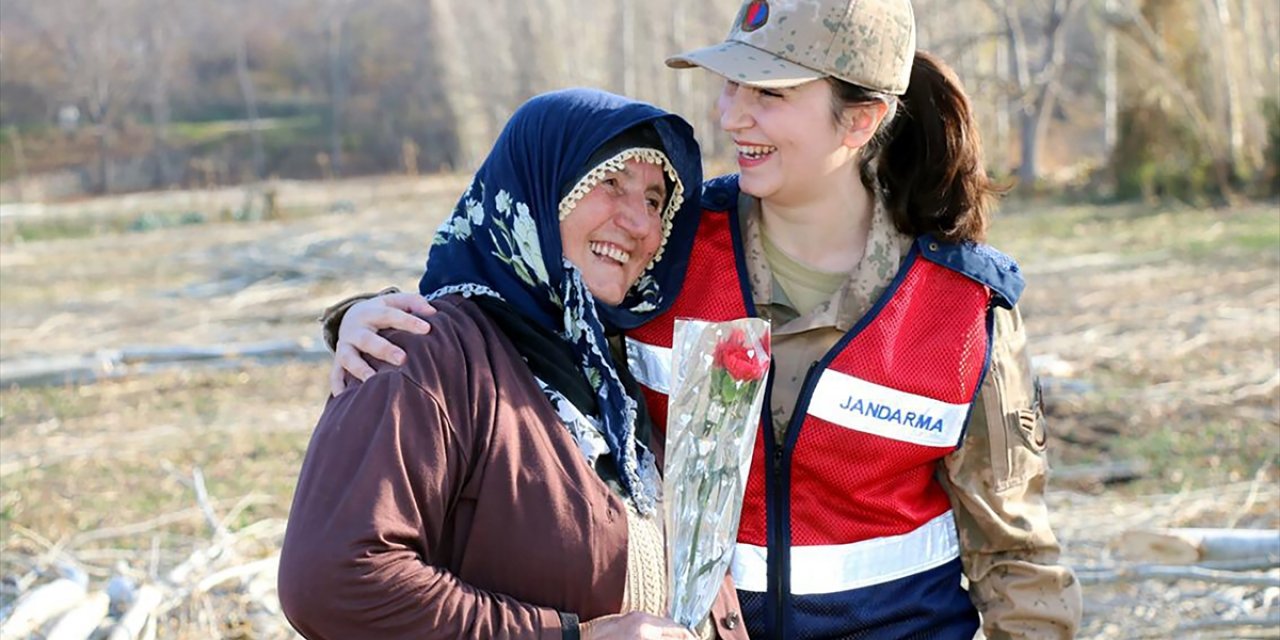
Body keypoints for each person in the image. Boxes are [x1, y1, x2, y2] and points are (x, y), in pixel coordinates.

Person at [325, 1, 1085, 637]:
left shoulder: (965, 309)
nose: (730, 116)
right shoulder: (668, 252)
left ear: (861, 120)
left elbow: (1017, 560)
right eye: (730, 86)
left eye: (769, 94)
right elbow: (519, 301)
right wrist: (368, 319)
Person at [278, 88, 752, 640]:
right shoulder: (424, 355)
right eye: (611, 182)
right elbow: (335, 580)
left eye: (654, 201)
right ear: (540, 187)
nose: (641, 224)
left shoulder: (615, 372)